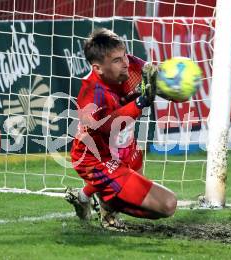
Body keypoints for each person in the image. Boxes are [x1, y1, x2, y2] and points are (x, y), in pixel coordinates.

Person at [64, 28, 177, 230]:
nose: (125, 62)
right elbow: (108, 126)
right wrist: (140, 102)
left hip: (125, 149)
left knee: (154, 200)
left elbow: (160, 86)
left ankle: (83, 196)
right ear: (98, 68)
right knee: (167, 205)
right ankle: (106, 203)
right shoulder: (90, 94)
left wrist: (176, 89)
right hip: (96, 159)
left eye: (124, 55)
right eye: (117, 60)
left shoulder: (132, 66)